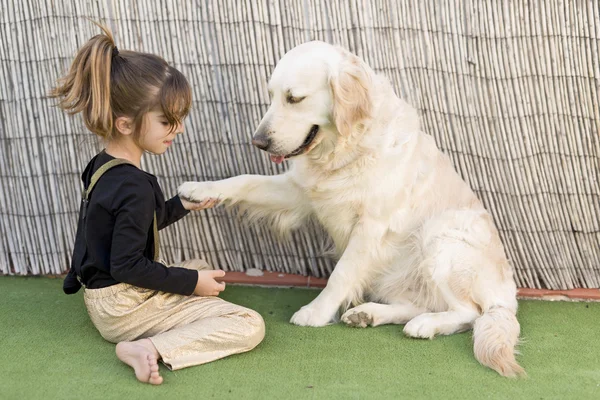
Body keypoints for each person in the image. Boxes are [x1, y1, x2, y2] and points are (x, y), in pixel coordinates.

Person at [50, 21, 265, 385]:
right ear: (124, 123)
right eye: (167, 120)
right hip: (121, 306)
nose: (178, 129)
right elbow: (128, 265)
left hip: (101, 295)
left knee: (198, 265)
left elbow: (117, 226)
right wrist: (191, 283)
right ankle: (148, 347)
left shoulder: (103, 166)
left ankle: (163, 314)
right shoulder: (134, 185)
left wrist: (181, 204)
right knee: (248, 324)